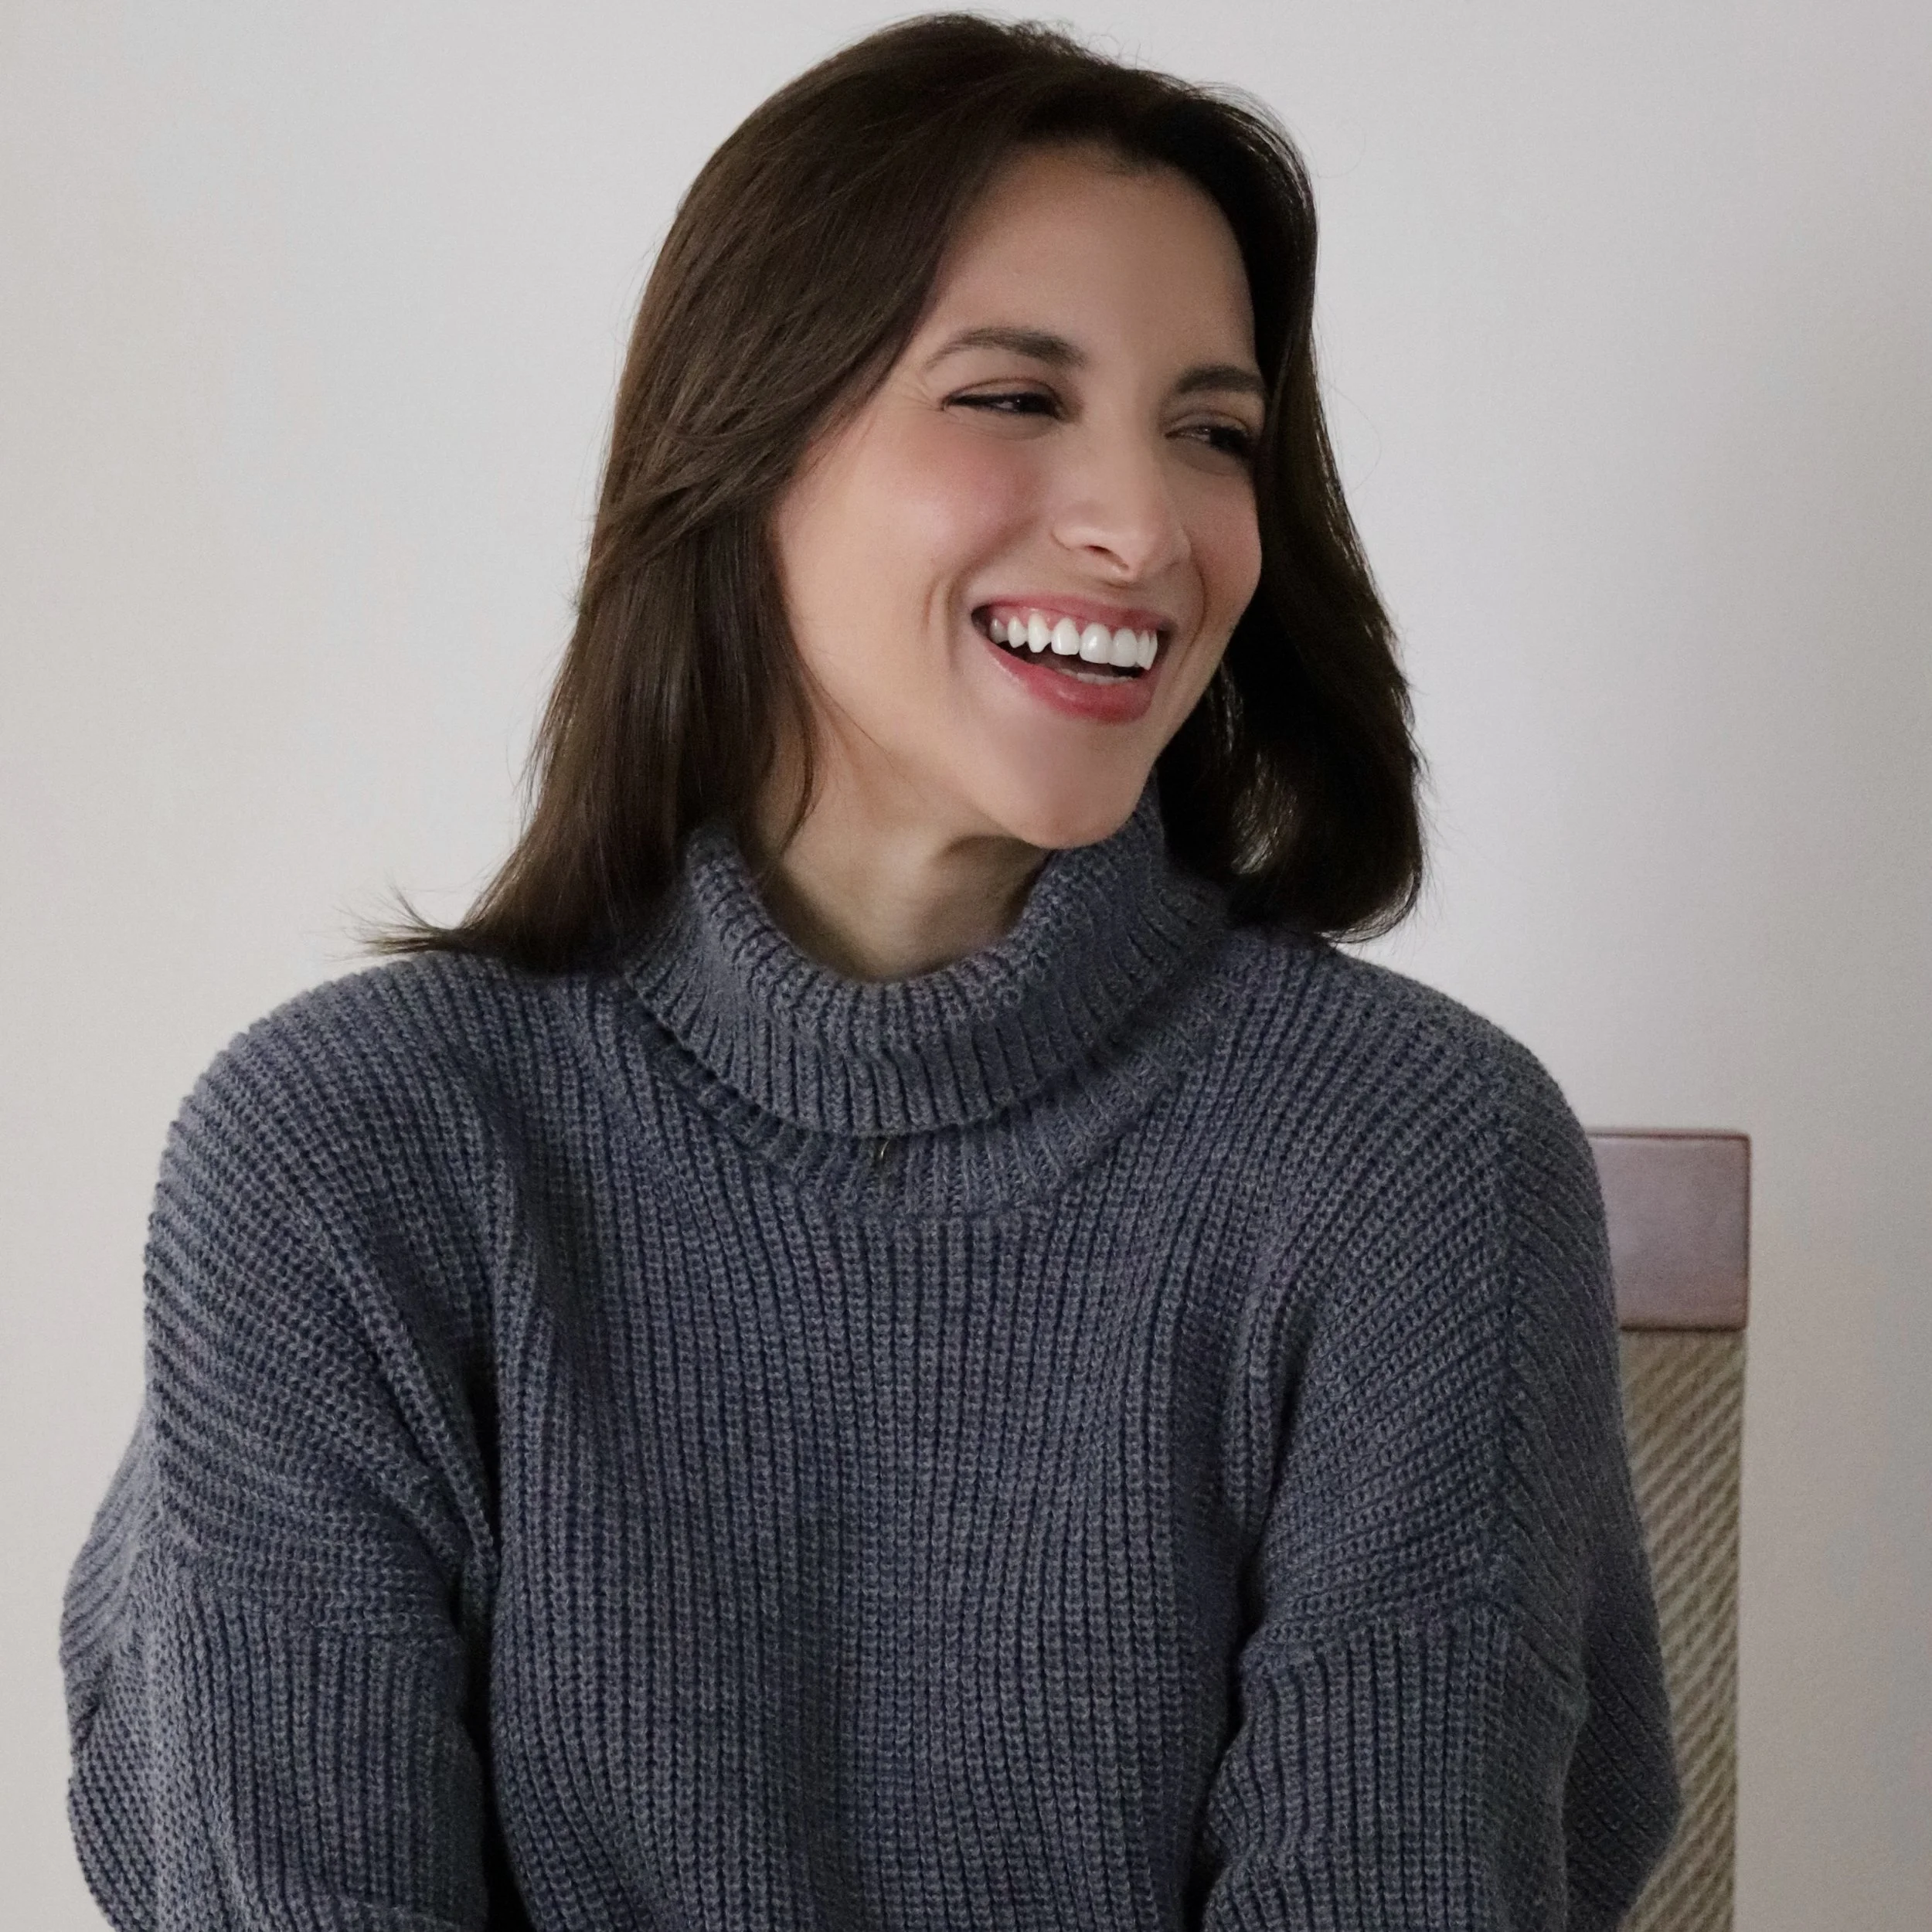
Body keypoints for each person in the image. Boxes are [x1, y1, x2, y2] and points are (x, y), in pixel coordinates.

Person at [60, 14, 1680, 1930]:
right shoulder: (344, 1157)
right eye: (1012, 398)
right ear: (740, 446)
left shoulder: (1419, 1158)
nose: (1144, 526)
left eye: (1213, 431)